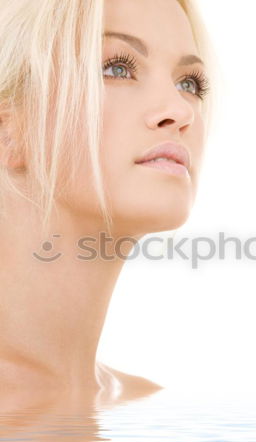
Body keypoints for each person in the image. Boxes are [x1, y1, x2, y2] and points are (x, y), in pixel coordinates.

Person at [0, 0, 212, 416]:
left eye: (189, 83)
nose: (180, 111)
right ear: (11, 132)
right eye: (116, 68)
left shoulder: (149, 406)